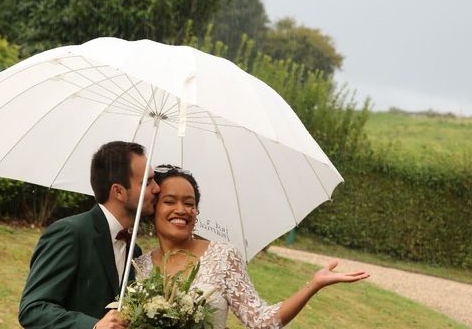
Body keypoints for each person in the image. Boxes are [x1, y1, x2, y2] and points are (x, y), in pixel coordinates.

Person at [133, 166, 370, 329]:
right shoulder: (139, 266)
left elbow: (261, 322)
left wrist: (313, 285)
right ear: (153, 208)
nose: (182, 210)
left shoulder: (222, 256)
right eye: (169, 201)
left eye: (190, 203)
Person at [19, 141, 160, 329]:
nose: (157, 188)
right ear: (118, 191)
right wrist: (93, 326)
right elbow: (33, 309)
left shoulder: (134, 250)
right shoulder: (70, 233)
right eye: (147, 182)